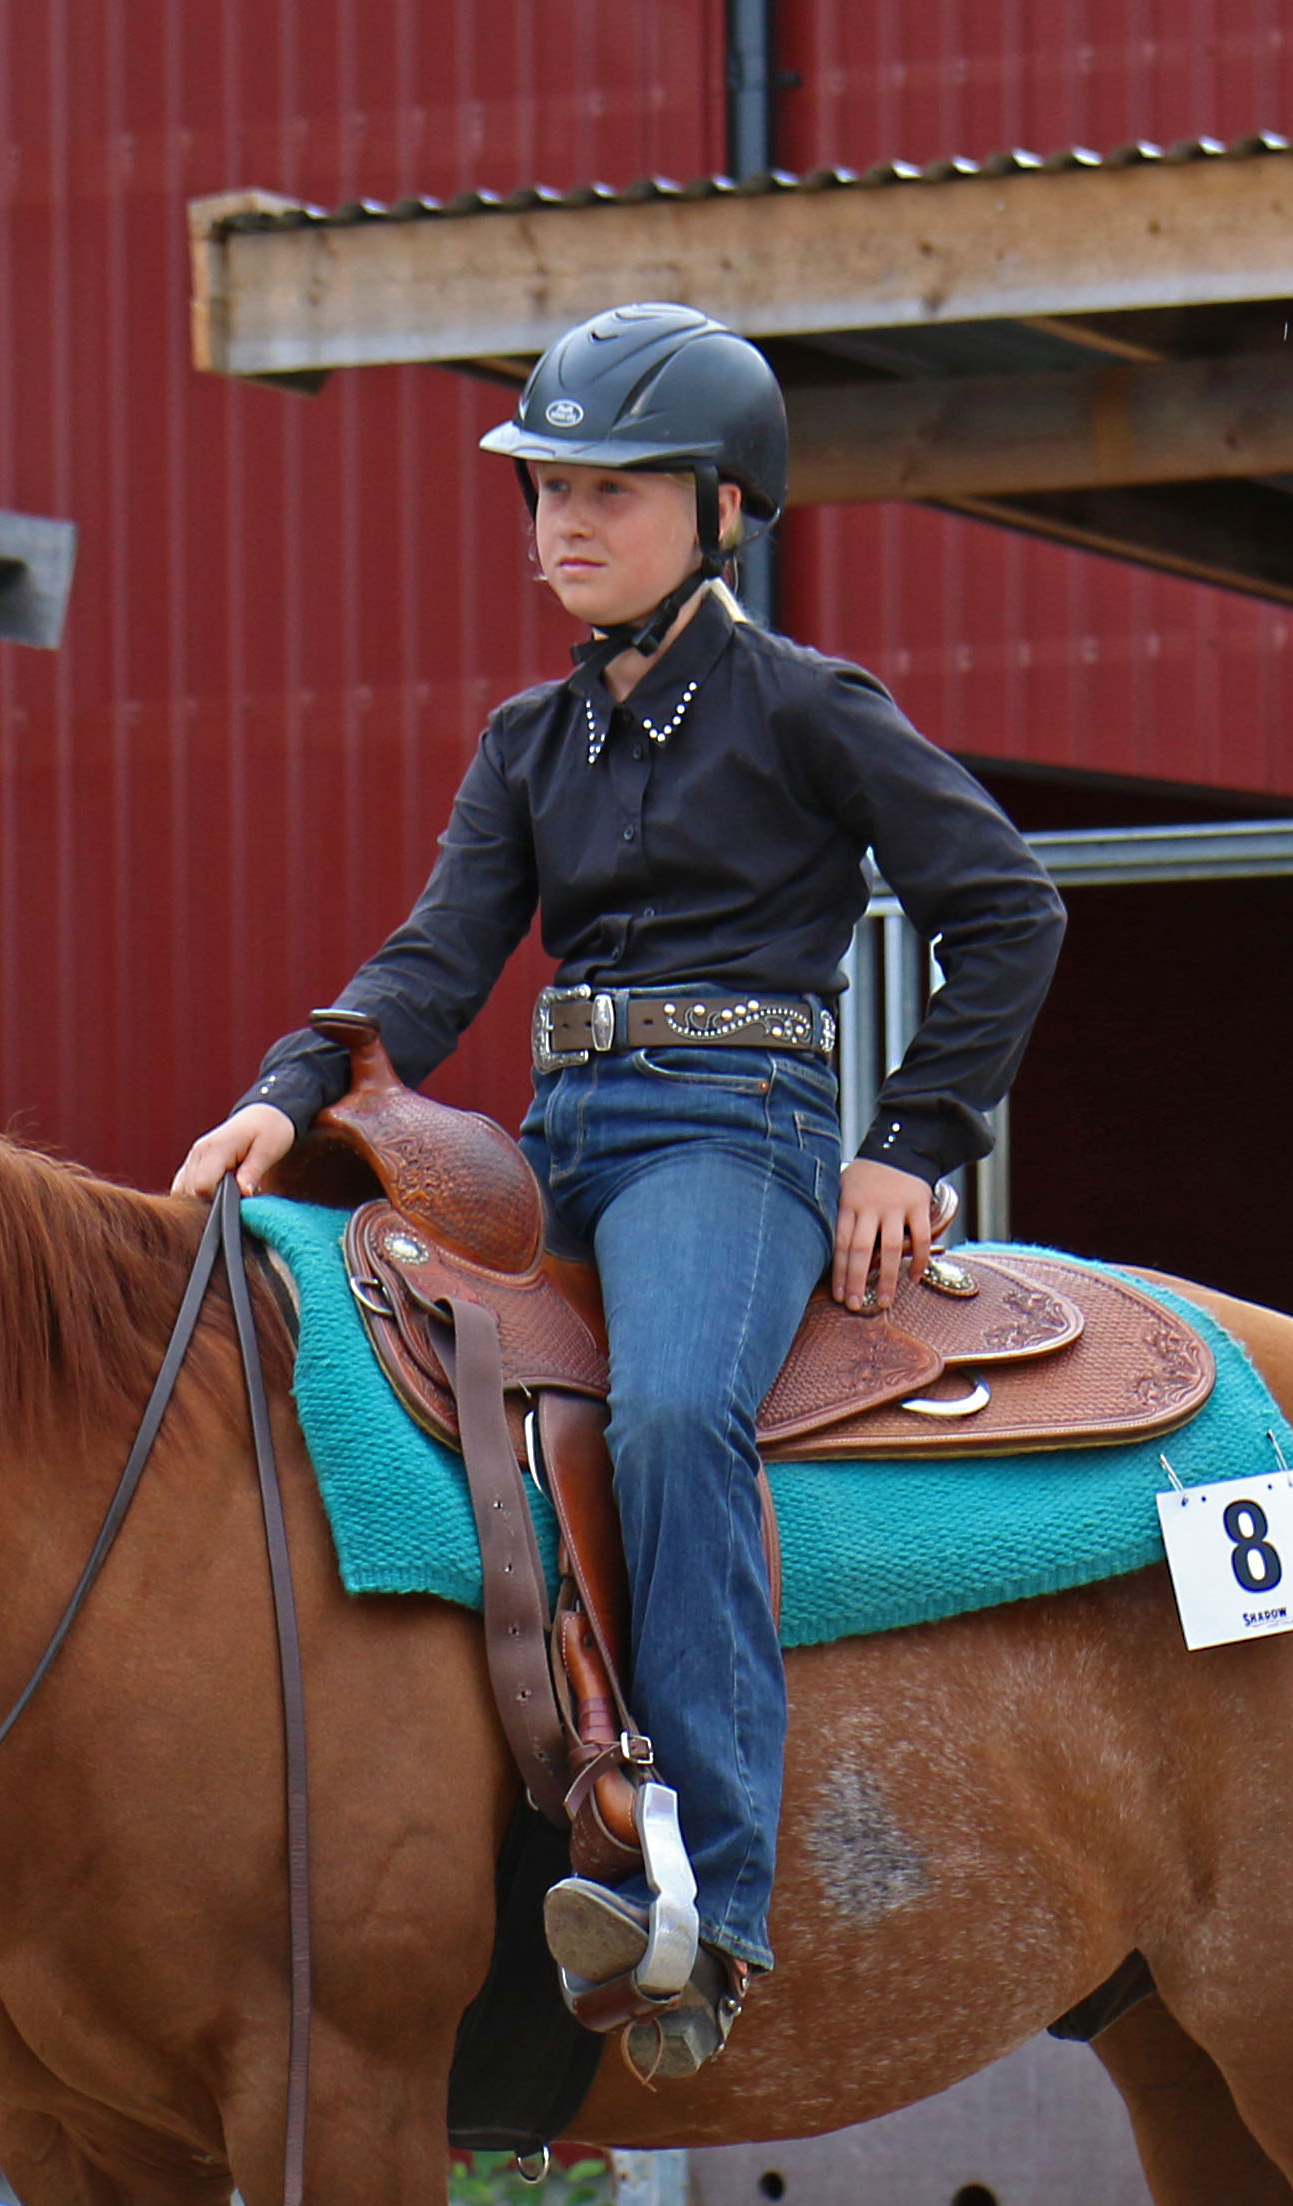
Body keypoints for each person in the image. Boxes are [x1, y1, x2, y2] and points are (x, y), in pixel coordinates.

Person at [175, 300, 1064, 2079]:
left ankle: (711, 1900)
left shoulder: (813, 708)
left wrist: (913, 1142)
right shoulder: (528, 740)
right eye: (543, 492)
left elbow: (1007, 910)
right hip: (556, 1134)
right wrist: (292, 1094)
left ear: (726, 511)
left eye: (612, 494)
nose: (561, 526)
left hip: (731, 1136)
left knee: (668, 1416)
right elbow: (437, 962)